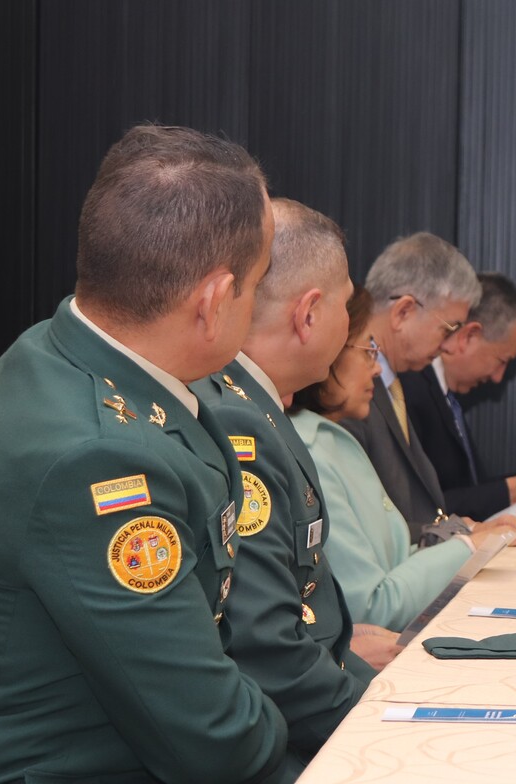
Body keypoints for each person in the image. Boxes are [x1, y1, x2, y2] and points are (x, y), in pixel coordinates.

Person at [0, 124, 288, 782]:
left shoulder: (64, 349)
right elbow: (212, 738)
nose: (258, 302)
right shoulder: (99, 457)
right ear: (212, 301)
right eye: (258, 282)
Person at [191, 198, 386, 773]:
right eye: (348, 307)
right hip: (283, 738)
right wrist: (377, 716)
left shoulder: (256, 404)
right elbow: (266, 647)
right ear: (309, 314)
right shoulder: (237, 420)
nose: (352, 327)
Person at [294, 287, 515, 631]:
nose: (376, 370)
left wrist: (467, 540)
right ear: (329, 350)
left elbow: (395, 560)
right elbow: (374, 608)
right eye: (367, 351)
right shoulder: (311, 446)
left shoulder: (332, 437)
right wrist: (469, 545)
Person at [340, 232, 516, 547]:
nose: (448, 344)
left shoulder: (392, 381)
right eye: (448, 327)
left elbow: (416, 507)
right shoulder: (343, 384)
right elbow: (361, 529)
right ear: (404, 312)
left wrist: (461, 529)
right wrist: (457, 535)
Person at [401, 272, 516, 520]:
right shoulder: (410, 391)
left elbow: (470, 487)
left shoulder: (446, 394)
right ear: (469, 336)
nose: (498, 377)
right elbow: (421, 507)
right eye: (501, 360)